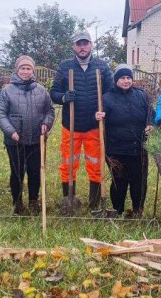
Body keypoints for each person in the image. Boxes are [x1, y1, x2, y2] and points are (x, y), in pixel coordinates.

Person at [50, 30, 114, 210]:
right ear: (74, 47)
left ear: (91, 45)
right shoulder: (65, 67)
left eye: (85, 43)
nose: (82, 47)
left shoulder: (101, 67)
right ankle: (68, 201)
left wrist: (103, 110)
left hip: (94, 126)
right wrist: (64, 97)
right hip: (71, 126)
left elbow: (110, 93)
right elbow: (53, 93)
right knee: (69, 164)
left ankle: (95, 204)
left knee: (95, 164)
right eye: (79, 44)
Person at [0, 55, 55, 215]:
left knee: (35, 172)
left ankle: (34, 202)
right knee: (17, 172)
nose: (25, 71)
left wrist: (46, 124)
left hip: (36, 139)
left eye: (28, 68)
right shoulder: (7, 90)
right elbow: (0, 113)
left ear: (32, 71)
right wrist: (11, 131)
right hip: (15, 140)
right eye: (23, 68)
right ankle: (17, 203)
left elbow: (49, 111)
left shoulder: (41, 90)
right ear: (17, 70)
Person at [95, 64, 154, 217]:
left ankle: (137, 210)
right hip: (116, 149)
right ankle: (118, 209)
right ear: (116, 80)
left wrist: (150, 124)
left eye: (128, 78)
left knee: (139, 181)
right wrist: (97, 117)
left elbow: (150, 113)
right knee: (118, 182)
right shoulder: (107, 98)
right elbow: (100, 120)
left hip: (138, 148)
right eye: (122, 78)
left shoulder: (141, 96)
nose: (126, 81)